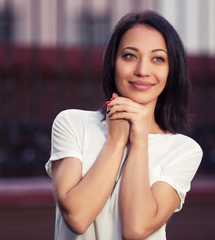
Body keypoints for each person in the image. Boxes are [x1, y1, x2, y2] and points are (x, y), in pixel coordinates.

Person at [45, 10, 202, 240]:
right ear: (113, 63)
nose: (142, 70)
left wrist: (139, 141)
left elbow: (136, 230)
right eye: (130, 56)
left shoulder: (183, 150)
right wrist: (116, 140)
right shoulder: (72, 124)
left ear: (171, 71)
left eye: (158, 58)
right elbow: (77, 217)